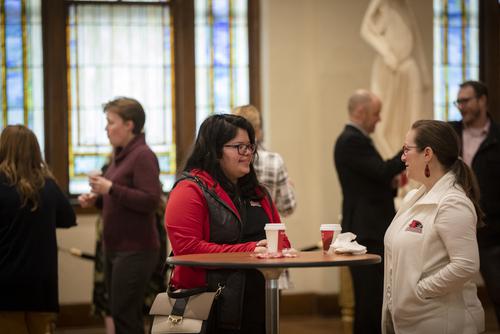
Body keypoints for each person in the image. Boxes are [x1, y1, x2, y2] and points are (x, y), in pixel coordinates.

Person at [165, 114, 290, 334]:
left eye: (250, 146)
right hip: (207, 307)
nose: (248, 154)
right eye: (239, 147)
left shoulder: (259, 193)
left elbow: (282, 240)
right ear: (214, 150)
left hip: (258, 300)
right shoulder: (189, 189)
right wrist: (250, 250)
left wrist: (278, 250)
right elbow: (187, 250)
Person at [383, 120, 485, 333]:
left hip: (441, 320)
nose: (402, 157)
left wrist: (419, 291)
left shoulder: (453, 202)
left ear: (427, 153)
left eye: (406, 149)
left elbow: (465, 265)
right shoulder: (413, 197)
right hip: (409, 319)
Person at [78, 97, 162, 334]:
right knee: (121, 313)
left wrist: (111, 189)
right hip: (116, 248)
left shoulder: (143, 155)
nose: (106, 128)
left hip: (136, 249)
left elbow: (150, 200)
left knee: (124, 316)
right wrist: (98, 198)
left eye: (111, 122)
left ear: (130, 125)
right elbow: (120, 199)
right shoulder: (121, 155)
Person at [333, 89, 405, 334]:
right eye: (376, 113)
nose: (379, 119)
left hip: (369, 226)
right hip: (367, 230)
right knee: (370, 300)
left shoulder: (356, 139)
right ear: (361, 112)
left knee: (374, 298)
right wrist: (408, 150)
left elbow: (372, 179)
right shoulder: (351, 140)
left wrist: (389, 183)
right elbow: (382, 171)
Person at [0, 125, 76, 333]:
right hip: (42, 285)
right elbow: (69, 218)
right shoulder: (48, 186)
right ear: (35, 152)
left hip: (5, 283)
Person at [450, 80, 500, 325]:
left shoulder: (498, 138)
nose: (461, 107)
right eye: (458, 101)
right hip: (454, 227)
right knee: (450, 296)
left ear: (482, 100)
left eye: (466, 100)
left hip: (491, 232)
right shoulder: (450, 134)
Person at [361, 0, 431, 158]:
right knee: (382, 125)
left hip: (408, 67)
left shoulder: (405, 7)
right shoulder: (384, 7)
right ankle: (392, 163)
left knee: (414, 122)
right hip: (390, 68)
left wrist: (424, 70)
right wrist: (386, 52)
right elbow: (366, 29)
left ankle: (411, 162)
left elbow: (416, 37)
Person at [232, 104, 297, 217]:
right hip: (265, 227)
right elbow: (288, 207)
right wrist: (288, 186)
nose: (247, 153)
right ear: (258, 130)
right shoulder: (274, 161)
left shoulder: (228, 158)